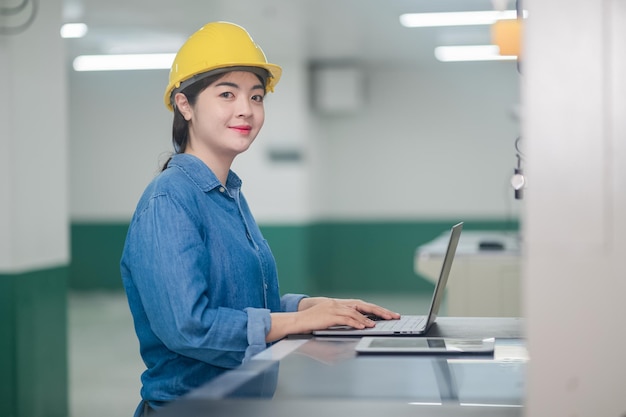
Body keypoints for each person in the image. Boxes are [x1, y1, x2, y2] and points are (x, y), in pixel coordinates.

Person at [120, 21, 400, 416]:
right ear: (185, 104)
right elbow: (189, 326)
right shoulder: (170, 200)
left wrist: (308, 308)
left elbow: (240, 300)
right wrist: (290, 324)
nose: (246, 110)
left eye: (256, 96)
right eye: (227, 94)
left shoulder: (228, 194)